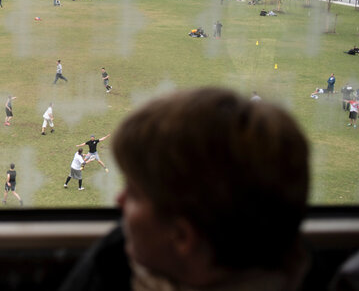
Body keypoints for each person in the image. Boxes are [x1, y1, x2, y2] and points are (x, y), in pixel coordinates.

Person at [59, 88, 312, 291]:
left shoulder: (111, 265)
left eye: (135, 194)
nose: (119, 201)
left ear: (182, 236)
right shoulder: (112, 258)